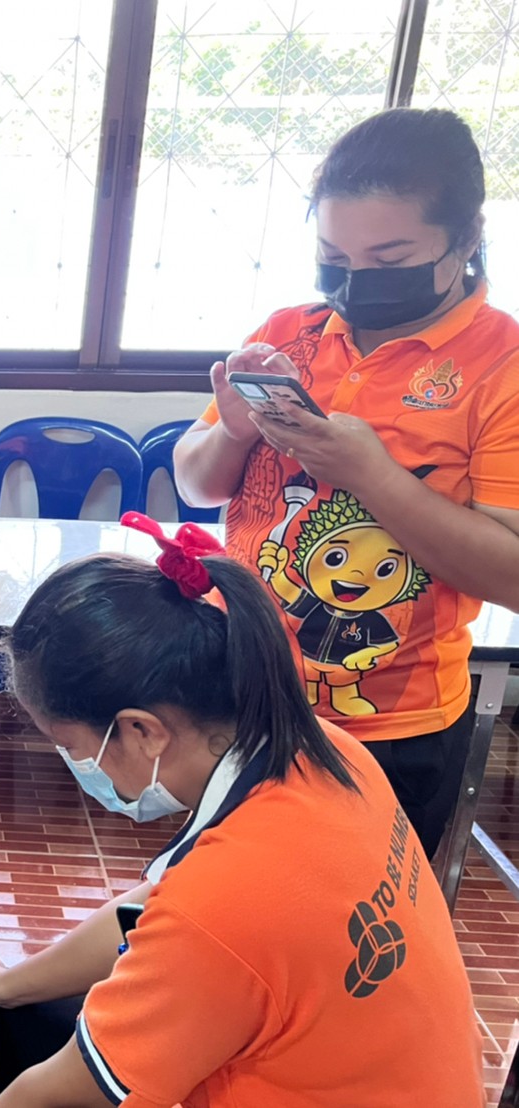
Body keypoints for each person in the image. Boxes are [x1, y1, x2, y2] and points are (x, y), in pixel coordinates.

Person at [0, 516, 481, 1107]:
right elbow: (156, 909)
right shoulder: (322, 750)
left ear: (142, 731)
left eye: (71, 746)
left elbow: (58, 1094)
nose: (77, 765)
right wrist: (8, 984)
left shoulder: (222, 907)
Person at [174, 108, 519, 860]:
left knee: (349, 921)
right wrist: (234, 430)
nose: (355, 281)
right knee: (226, 898)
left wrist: (370, 475)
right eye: (333, 256)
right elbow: (195, 483)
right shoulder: (287, 331)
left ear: (466, 238)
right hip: (240, 689)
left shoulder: (503, 365)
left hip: (390, 726)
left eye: (390, 257)